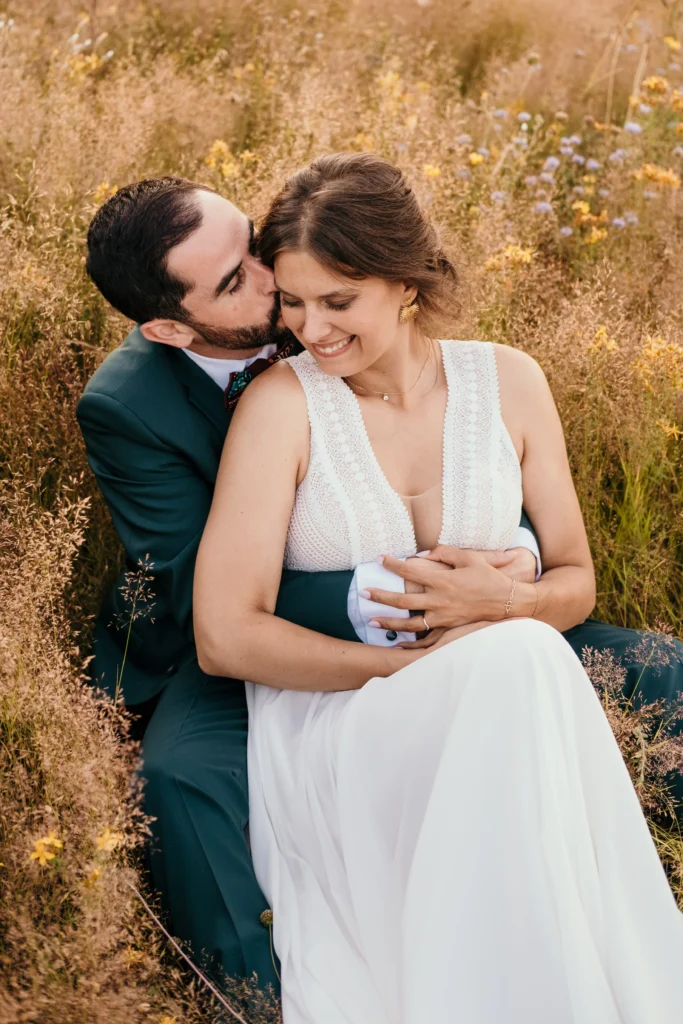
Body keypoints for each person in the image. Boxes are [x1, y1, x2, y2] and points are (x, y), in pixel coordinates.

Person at [193, 152, 683, 1023]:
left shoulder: (510, 382)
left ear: (407, 283)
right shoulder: (281, 405)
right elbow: (224, 634)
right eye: (294, 303)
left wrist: (512, 605)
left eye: (338, 302)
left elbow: (574, 577)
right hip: (342, 721)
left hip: (501, 697)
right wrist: (409, 669)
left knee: (523, 653)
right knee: (519, 664)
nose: (311, 328)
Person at [77, 176, 539, 993]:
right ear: (166, 324)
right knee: (183, 777)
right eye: (234, 283)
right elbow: (198, 595)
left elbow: (458, 433)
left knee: (650, 670)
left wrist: (511, 559)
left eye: (253, 245)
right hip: (223, 637)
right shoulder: (129, 406)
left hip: (461, 609)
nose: (273, 283)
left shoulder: (313, 301)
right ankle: (253, 999)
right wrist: (409, 596)